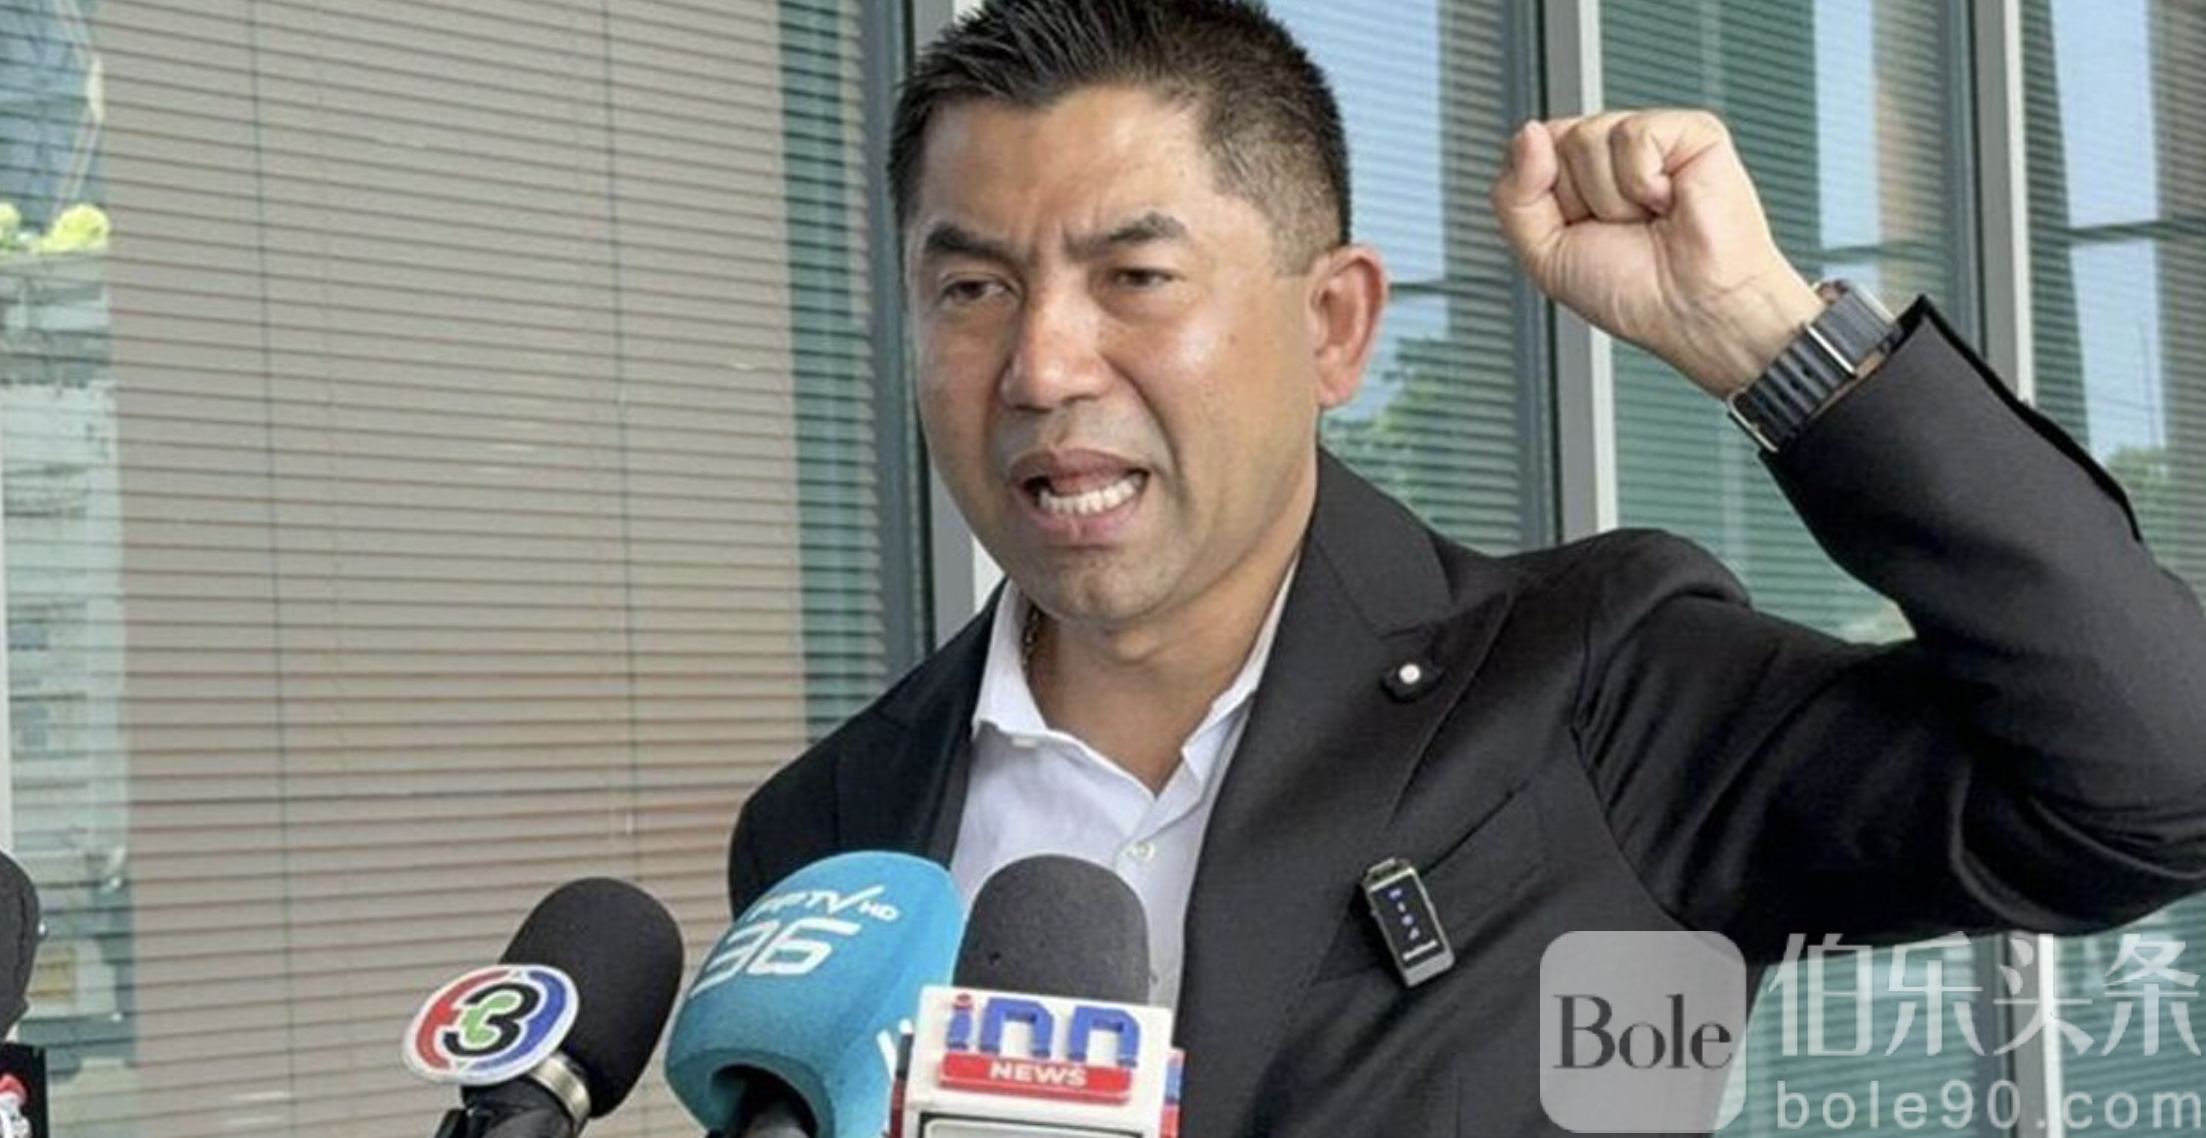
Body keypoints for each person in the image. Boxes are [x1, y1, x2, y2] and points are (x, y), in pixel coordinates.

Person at [726, 1, 2206, 1134]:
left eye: (1136, 278)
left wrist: (1767, 338)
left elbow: (2151, 785)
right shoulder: (827, 837)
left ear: (1333, 326)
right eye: (972, 287)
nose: (1043, 364)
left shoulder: (1597, 687)